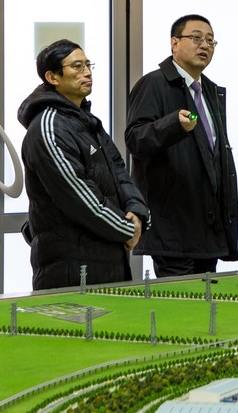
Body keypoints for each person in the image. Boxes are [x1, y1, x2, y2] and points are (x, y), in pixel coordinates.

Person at [18, 39, 148, 290]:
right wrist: (127, 228)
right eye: (77, 66)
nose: (87, 72)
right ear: (52, 77)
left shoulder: (86, 120)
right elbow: (79, 197)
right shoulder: (48, 127)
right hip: (70, 266)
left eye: (88, 65)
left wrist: (137, 211)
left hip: (107, 256)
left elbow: (119, 170)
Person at [125, 14, 238, 277]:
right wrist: (173, 125)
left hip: (207, 225)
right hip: (173, 226)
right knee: (181, 300)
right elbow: (135, 139)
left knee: (207, 300)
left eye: (210, 41)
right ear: (174, 43)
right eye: (196, 38)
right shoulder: (154, 84)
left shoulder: (209, 90)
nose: (205, 45)